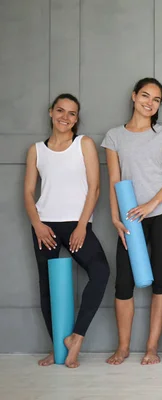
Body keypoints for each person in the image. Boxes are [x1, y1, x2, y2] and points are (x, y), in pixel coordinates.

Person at [24, 93, 110, 368]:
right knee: (47, 288)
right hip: (44, 225)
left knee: (100, 273)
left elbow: (94, 188)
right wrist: (37, 224)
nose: (65, 117)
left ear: (77, 118)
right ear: (51, 112)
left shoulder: (83, 144)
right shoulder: (36, 150)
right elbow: (28, 192)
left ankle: (76, 337)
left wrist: (83, 225)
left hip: (77, 223)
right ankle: (57, 349)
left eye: (72, 113)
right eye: (60, 111)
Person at [103, 78, 162, 365]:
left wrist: (151, 204)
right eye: (145, 96)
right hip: (129, 216)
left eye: (157, 99)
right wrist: (115, 217)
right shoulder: (114, 136)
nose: (150, 102)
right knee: (123, 282)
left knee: (160, 280)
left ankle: (151, 348)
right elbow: (114, 179)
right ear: (134, 96)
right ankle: (123, 347)